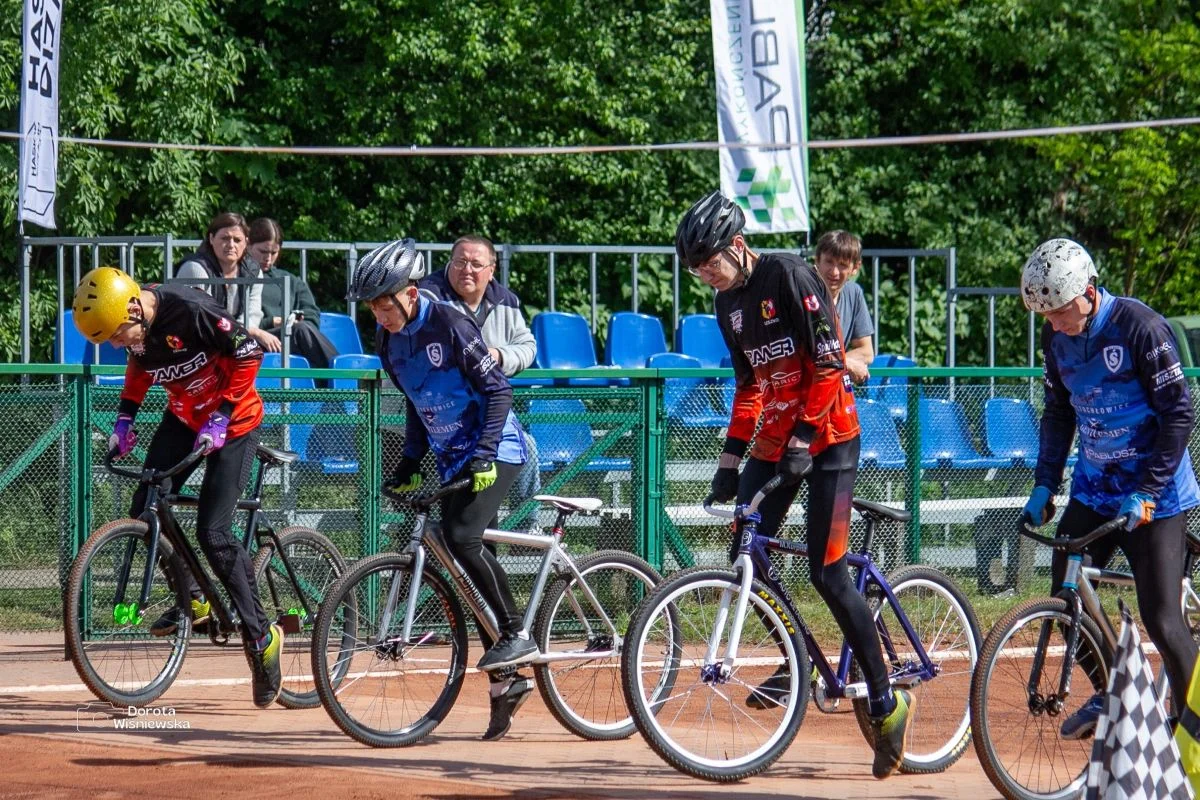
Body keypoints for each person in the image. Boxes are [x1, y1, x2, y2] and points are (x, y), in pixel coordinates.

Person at [675, 190, 913, 780]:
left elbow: (832, 365)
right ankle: (796, 660)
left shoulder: (788, 274)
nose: (706, 274)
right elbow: (748, 384)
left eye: (711, 262)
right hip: (778, 435)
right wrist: (730, 462)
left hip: (829, 435)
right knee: (743, 549)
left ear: (737, 245)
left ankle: (886, 705)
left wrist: (808, 439)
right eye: (697, 269)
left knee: (827, 573)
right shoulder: (726, 303)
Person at [348, 238, 537, 741]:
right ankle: (506, 685)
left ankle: (518, 633)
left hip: (499, 449)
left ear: (408, 293)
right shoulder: (389, 343)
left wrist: (483, 453)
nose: (377, 315)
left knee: (462, 536)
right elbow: (415, 402)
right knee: (461, 569)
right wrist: (410, 460)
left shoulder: (449, 324)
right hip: (453, 457)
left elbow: (499, 388)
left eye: (383, 304)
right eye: (370, 307)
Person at [70, 266, 283, 708]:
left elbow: (247, 352)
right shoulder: (137, 333)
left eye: (115, 333)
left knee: (214, 532)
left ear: (134, 308)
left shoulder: (189, 309)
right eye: (107, 339)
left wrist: (224, 414)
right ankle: (196, 595)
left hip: (234, 421)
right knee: (146, 502)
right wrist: (125, 418)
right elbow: (139, 367)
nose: (116, 344)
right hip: (185, 417)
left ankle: (262, 639)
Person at [1018, 237, 1200, 740]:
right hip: (1095, 490)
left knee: (1161, 618)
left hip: (1155, 497)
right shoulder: (1057, 341)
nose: (1053, 323)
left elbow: (1178, 415)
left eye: (1058, 310)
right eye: (1045, 315)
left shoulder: (1141, 327)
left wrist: (1147, 491)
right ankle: (1117, 694)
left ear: (1089, 291)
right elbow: (1058, 414)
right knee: (1066, 594)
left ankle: (1192, 731)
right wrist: (1044, 484)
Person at [419, 235, 540, 497]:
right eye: (460, 261)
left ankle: (526, 528)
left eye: (475, 264)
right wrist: (475, 362)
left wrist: (498, 356)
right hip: (440, 411)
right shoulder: (428, 298)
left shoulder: (506, 300)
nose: (467, 269)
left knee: (526, 448)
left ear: (491, 269)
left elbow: (528, 346)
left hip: (487, 409)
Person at [175, 212, 279, 352]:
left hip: (236, 339)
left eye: (237, 240)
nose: (231, 245)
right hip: (196, 344)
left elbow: (252, 316)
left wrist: (246, 333)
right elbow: (202, 321)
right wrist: (253, 333)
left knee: (297, 334)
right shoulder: (195, 269)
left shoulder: (254, 272)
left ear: (246, 243)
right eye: (225, 238)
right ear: (211, 239)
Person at [246, 217, 339, 369]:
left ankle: (339, 380)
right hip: (257, 340)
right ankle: (349, 378)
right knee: (300, 330)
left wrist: (293, 321)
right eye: (262, 251)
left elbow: (312, 315)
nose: (268, 258)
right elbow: (238, 320)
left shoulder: (291, 280)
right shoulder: (241, 278)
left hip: (293, 338)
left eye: (274, 252)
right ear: (249, 246)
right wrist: (272, 321)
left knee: (302, 329)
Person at [813, 230, 875, 384]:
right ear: (817, 260)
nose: (834, 272)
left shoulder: (854, 293)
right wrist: (845, 363)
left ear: (855, 268)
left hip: (832, 389)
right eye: (829, 261)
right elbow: (799, 357)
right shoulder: (802, 292)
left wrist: (840, 362)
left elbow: (867, 353)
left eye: (842, 265)